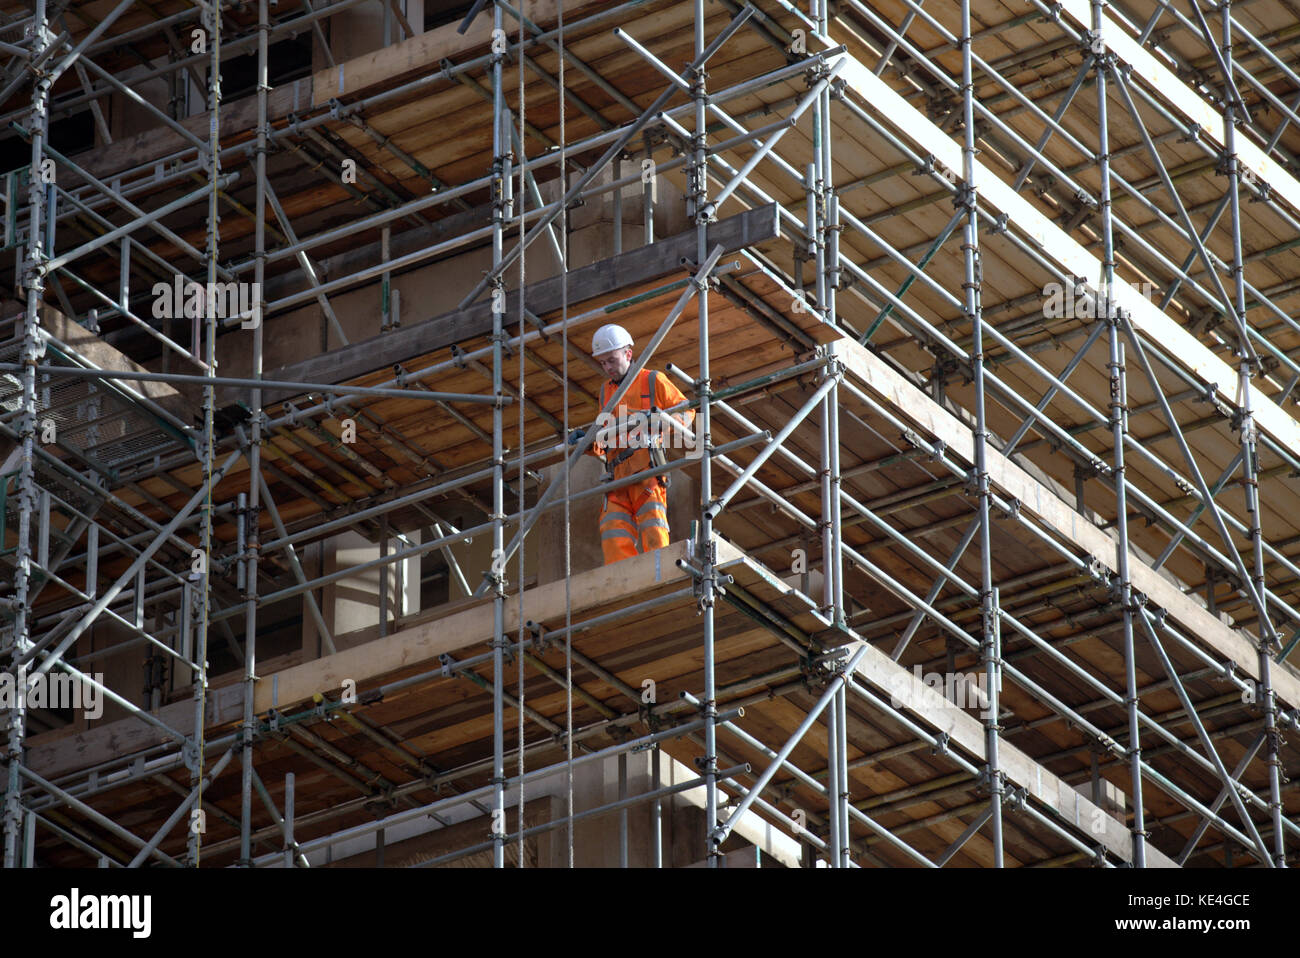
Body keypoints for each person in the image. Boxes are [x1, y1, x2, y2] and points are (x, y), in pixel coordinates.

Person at [578, 324, 694, 565]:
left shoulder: (652, 380)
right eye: (603, 363)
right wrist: (587, 442)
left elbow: (686, 411)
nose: (608, 367)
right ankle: (624, 578)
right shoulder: (605, 392)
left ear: (628, 354)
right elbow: (605, 435)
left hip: (645, 470)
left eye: (611, 360)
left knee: (652, 523)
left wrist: (661, 424)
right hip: (616, 476)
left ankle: (659, 573)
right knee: (612, 528)